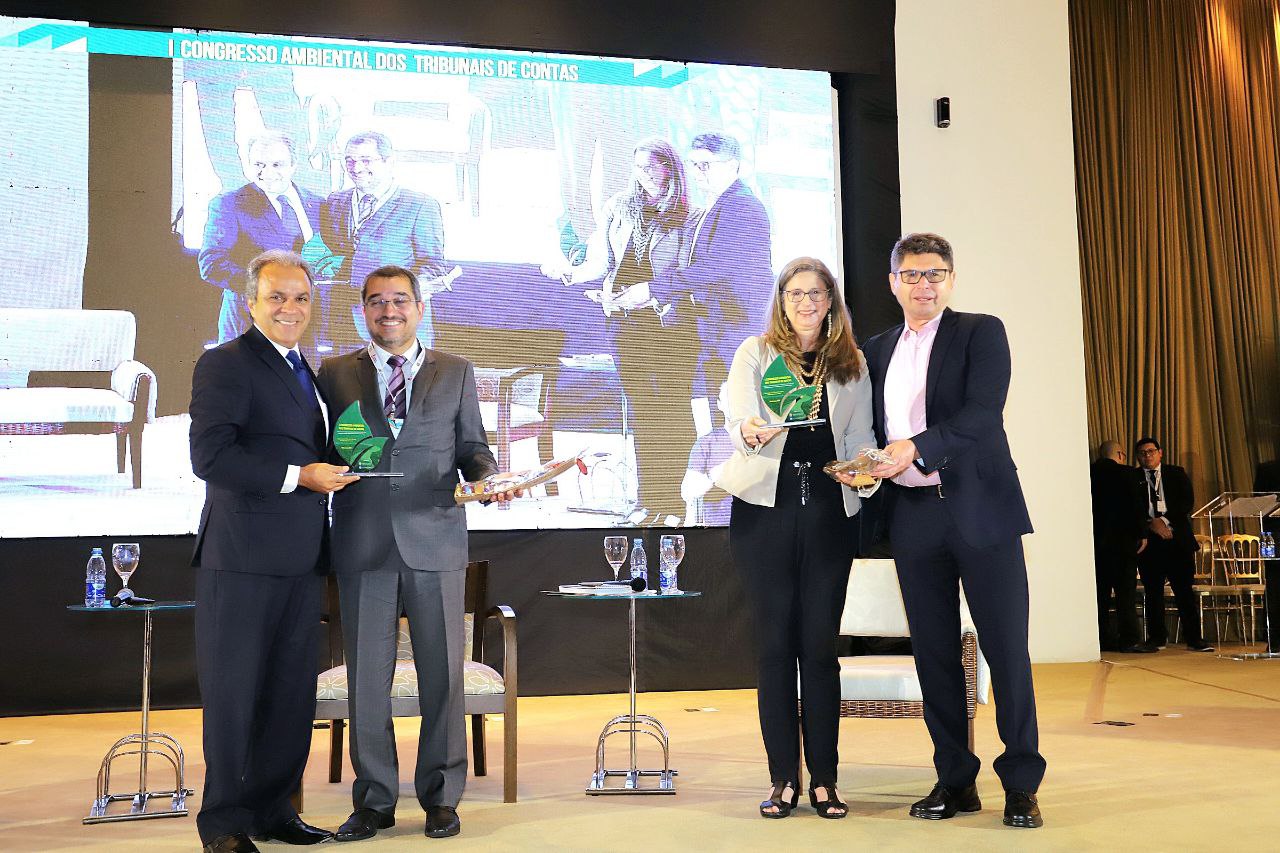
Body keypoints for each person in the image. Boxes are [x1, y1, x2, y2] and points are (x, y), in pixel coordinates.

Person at [315, 265, 516, 842]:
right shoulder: (334, 373)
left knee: (443, 677)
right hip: (363, 543)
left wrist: (488, 478)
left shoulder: (456, 371)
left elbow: (473, 448)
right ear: (363, 310)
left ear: (420, 308)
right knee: (367, 682)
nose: (389, 311)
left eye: (400, 300)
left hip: (436, 540)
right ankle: (374, 801)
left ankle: (441, 797)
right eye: (377, 301)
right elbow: (321, 449)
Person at [862, 232, 1046, 829]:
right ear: (894, 282)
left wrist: (914, 447)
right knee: (934, 654)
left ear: (951, 279)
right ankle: (955, 779)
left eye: (935, 274)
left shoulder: (980, 332)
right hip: (913, 516)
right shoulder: (876, 349)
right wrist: (863, 466)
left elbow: (981, 416)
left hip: (981, 512)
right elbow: (870, 428)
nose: (925, 285)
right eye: (913, 275)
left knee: (1006, 650)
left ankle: (1021, 783)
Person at [189, 249, 354, 853]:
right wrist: (298, 476)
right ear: (251, 301)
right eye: (277, 296)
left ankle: (273, 810)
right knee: (234, 696)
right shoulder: (226, 363)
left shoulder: (305, 369)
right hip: (241, 559)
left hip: (302, 558)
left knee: (289, 695)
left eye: (301, 298)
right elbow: (210, 457)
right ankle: (223, 825)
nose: (290, 308)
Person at [718, 256, 876, 820]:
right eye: (795, 293)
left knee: (820, 650)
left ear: (831, 301)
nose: (806, 302)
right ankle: (783, 777)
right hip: (764, 513)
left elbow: (860, 437)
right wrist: (748, 430)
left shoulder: (851, 364)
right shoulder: (755, 352)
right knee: (775, 650)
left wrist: (865, 469)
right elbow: (738, 417)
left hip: (831, 515)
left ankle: (825, 781)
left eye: (816, 293)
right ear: (781, 301)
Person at [548, 137, 697, 525]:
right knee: (642, 411)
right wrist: (572, 274)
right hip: (625, 324)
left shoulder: (689, 214)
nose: (643, 175)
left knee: (671, 411)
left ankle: (674, 503)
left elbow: (687, 276)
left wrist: (649, 297)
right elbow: (601, 260)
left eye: (651, 167)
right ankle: (649, 501)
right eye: (638, 167)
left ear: (670, 168)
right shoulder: (619, 206)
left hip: (670, 324)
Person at [653, 132, 774, 378]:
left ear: (732, 165)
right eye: (692, 164)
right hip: (719, 327)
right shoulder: (720, 202)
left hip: (739, 327)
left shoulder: (742, 205)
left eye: (705, 165)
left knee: (742, 399)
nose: (696, 173)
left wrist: (655, 289)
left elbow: (716, 267)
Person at [319, 131, 454, 351]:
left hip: (398, 326)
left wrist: (407, 290)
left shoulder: (420, 205)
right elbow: (329, 255)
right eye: (350, 160)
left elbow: (433, 265)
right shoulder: (335, 201)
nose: (356, 168)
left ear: (389, 162)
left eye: (366, 160)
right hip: (345, 327)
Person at [198, 132, 324, 345]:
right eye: (259, 164)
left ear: (294, 165)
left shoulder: (317, 204)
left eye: (277, 164)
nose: (267, 172)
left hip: (304, 329)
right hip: (248, 326)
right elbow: (211, 264)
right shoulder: (229, 204)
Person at [1133, 437, 1213, 652]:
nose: (1147, 456)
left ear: (1160, 453)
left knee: (1184, 590)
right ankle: (1157, 638)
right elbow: (1131, 507)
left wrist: (1164, 521)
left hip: (1177, 539)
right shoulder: (1133, 477)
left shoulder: (1176, 473)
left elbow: (1186, 502)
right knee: (1153, 592)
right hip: (1149, 542)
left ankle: (1194, 638)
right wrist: (1151, 523)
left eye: (1151, 451)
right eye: (1142, 453)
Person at [1090, 440, 1154, 653]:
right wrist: (1142, 534)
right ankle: (1129, 639)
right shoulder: (1127, 474)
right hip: (1123, 542)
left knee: (1099, 595)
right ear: (1120, 455)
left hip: (1096, 543)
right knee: (1125, 594)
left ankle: (1102, 639)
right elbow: (1137, 505)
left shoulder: (1088, 472)